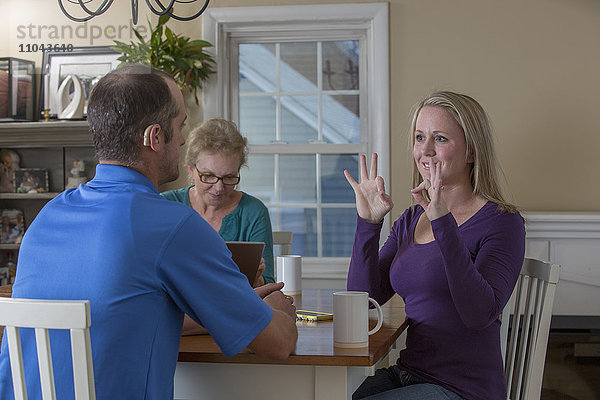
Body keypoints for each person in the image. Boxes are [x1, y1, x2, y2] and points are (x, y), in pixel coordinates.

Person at [0, 64, 297, 400]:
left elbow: (124, 314)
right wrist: (278, 309)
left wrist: (232, 308)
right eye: (180, 125)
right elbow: (278, 344)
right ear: (155, 137)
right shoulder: (173, 225)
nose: (184, 139)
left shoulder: (46, 216)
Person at [345, 91, 525, 400]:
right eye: (419, 137)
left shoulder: (502, 222)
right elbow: (363, 300)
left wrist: (443, 223)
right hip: (407, 375)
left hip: (462, 390)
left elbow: (478, 313)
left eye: (440, 138)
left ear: (471, 152)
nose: (425, 150)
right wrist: (368, 223)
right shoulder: (412, 218)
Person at [162, 118, 274, 287]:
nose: (219, 187)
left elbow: (268, 285)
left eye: (229, 177)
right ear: (191, 170)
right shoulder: (167, 204)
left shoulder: (254, 212)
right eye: (208, 176)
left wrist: (257, 279)